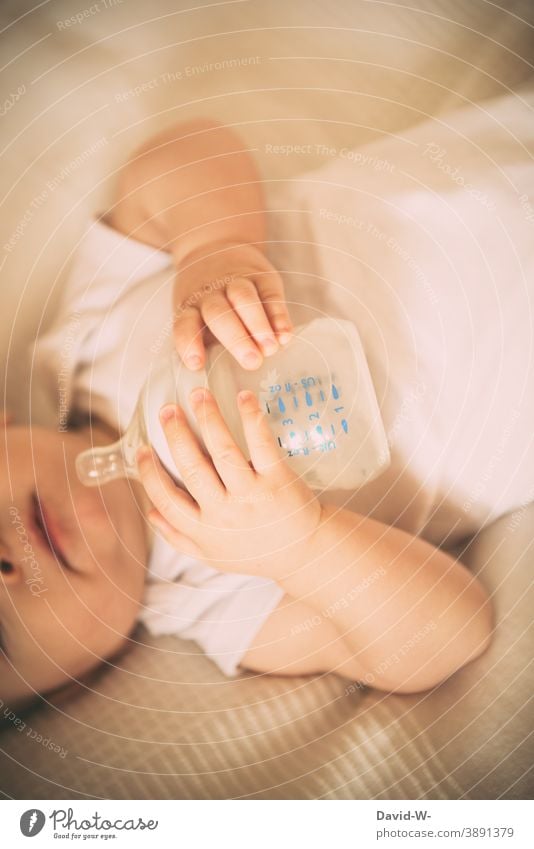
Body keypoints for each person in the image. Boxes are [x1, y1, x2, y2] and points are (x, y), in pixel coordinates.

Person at [4, 91, 533, 705]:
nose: (3, 569)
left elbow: (181, 155)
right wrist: (302, 548)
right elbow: (450, 636)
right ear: (70, 683)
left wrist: (214, 247)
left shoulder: (84, 343)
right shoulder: (214, 601)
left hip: (484, 186)